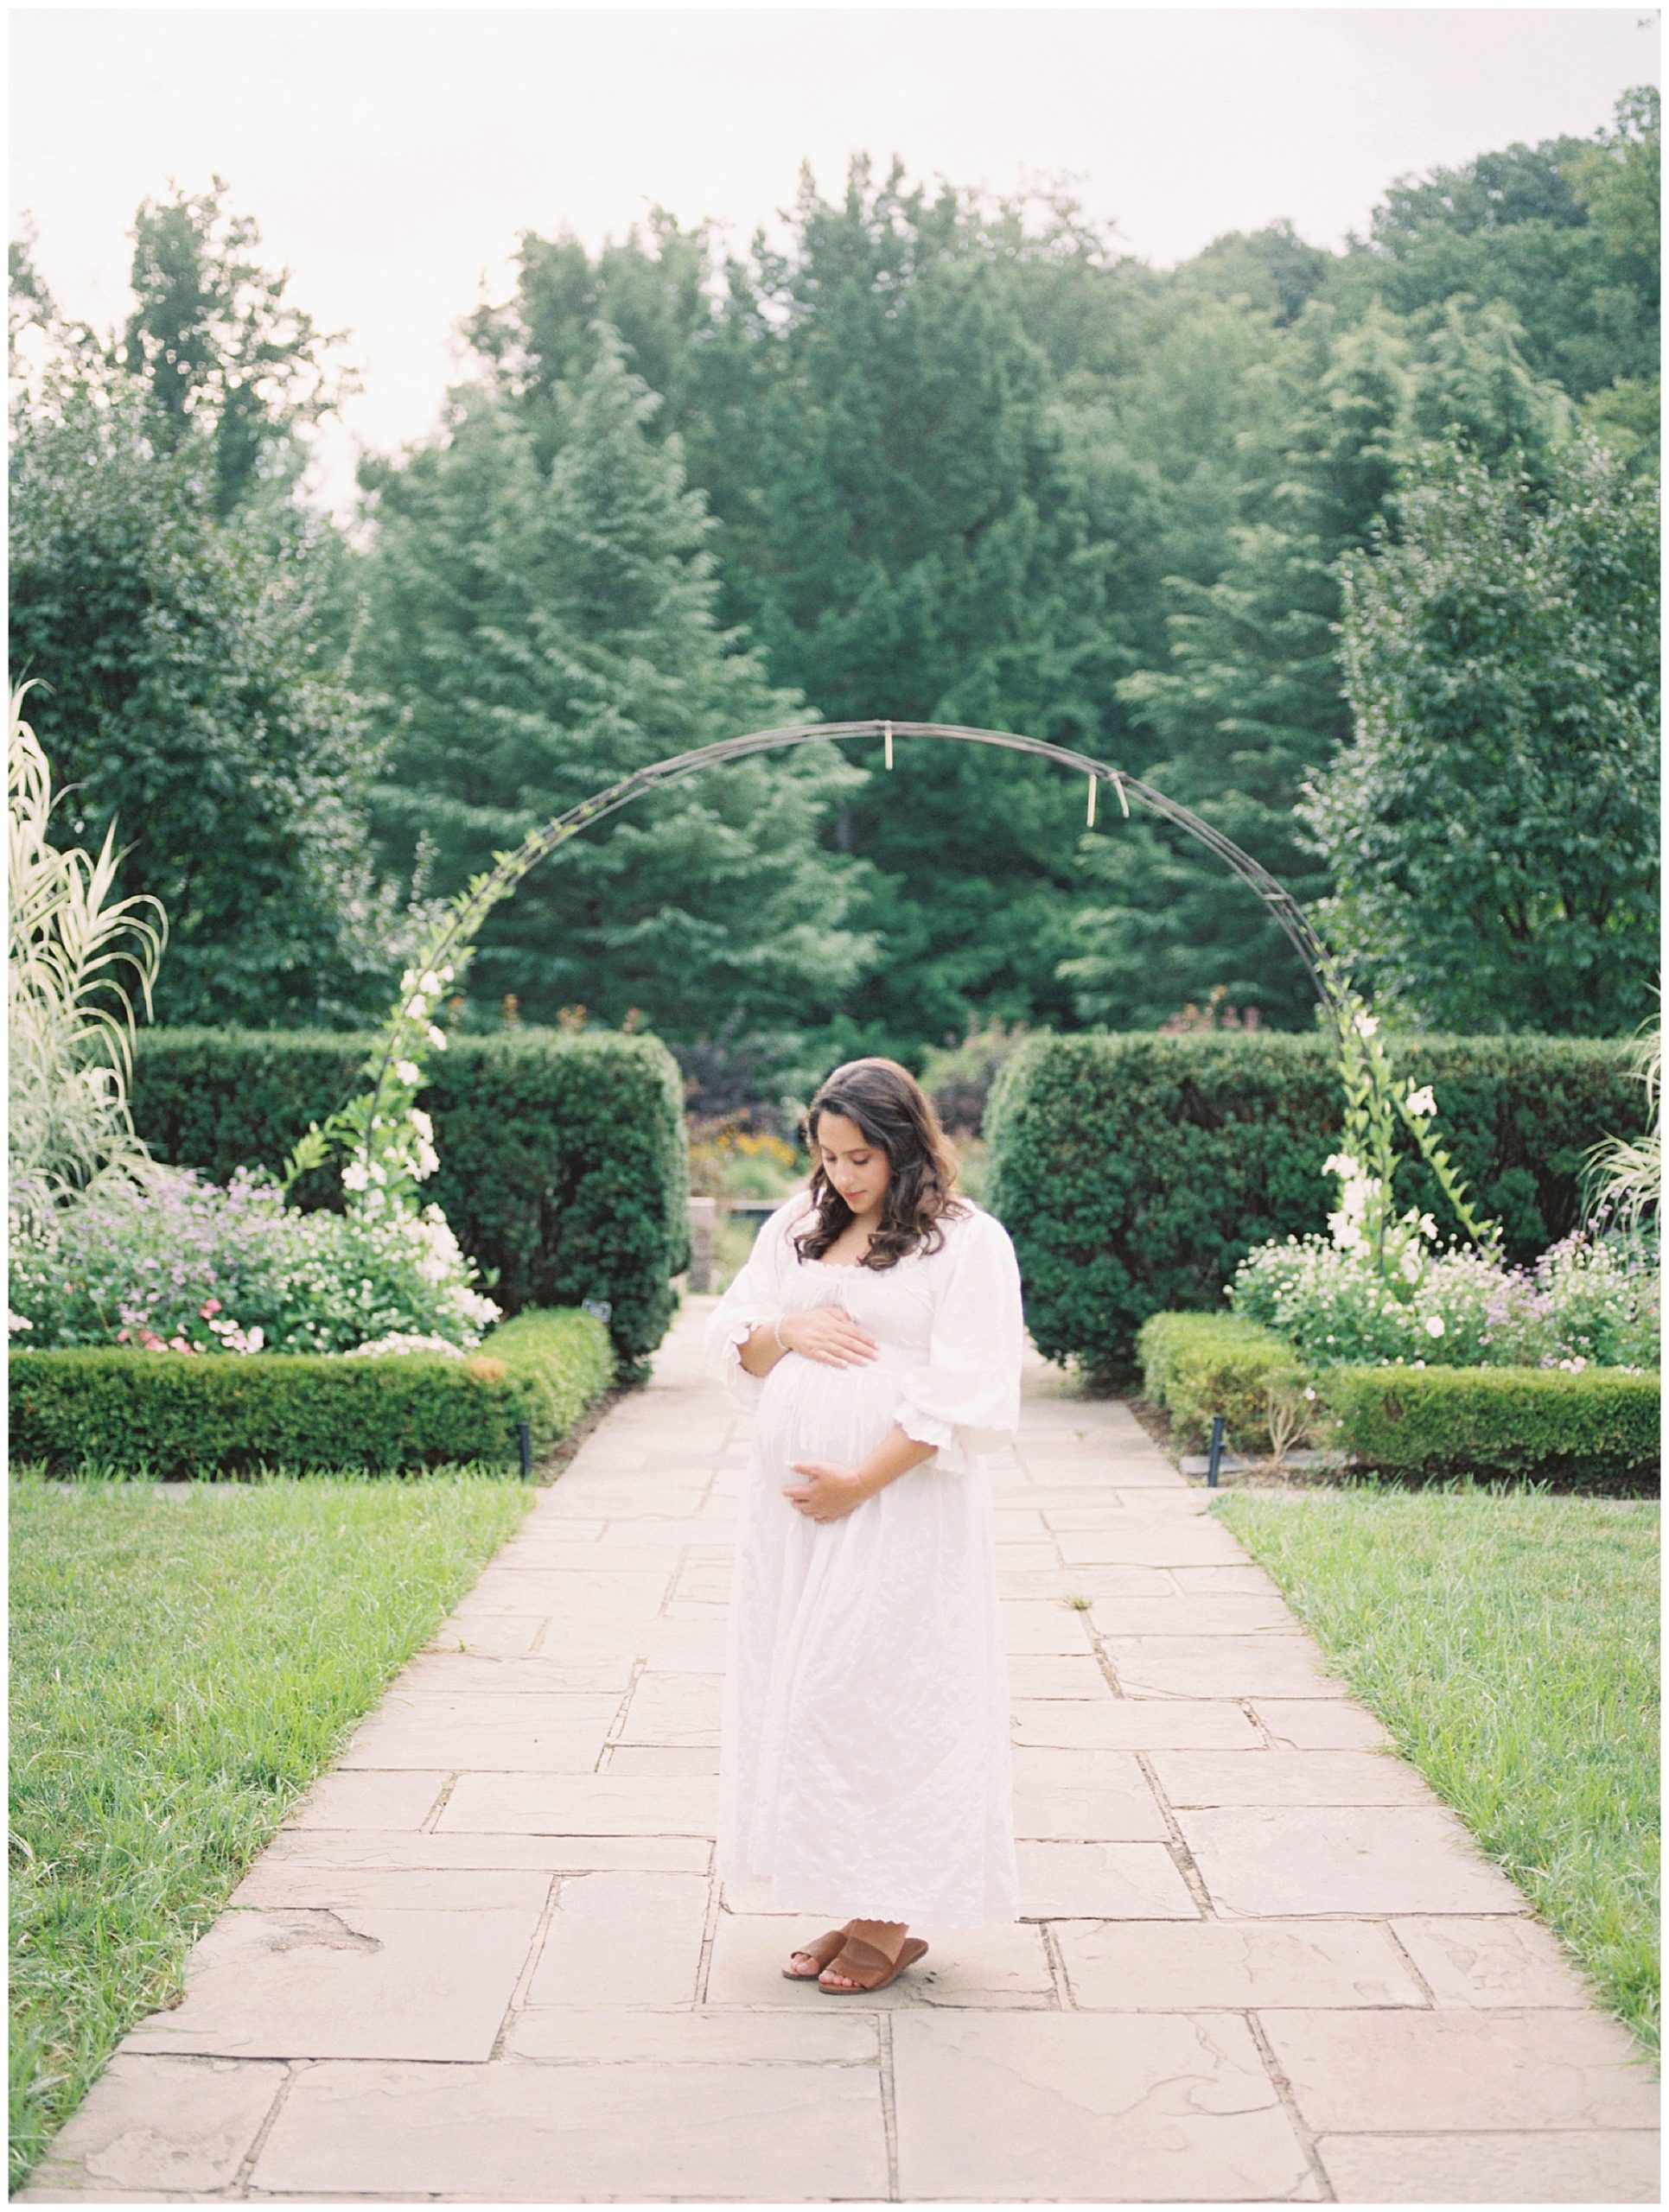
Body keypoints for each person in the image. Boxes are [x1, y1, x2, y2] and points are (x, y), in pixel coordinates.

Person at [703, 1055, 1026, 1994]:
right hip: (794, 1525)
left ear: (903, 1144)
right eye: (828, 1155)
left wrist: (857, 1478)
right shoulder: (797, 1230)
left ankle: (887, 1919)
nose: (842, 1176)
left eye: (860, 1157)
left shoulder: (965, 1243)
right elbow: (736, 1340)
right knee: (802, 1691)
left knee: (875, 1691)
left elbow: (966, 1391)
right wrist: (788, 1333)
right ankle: (852, 1900)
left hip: (899, 1508)